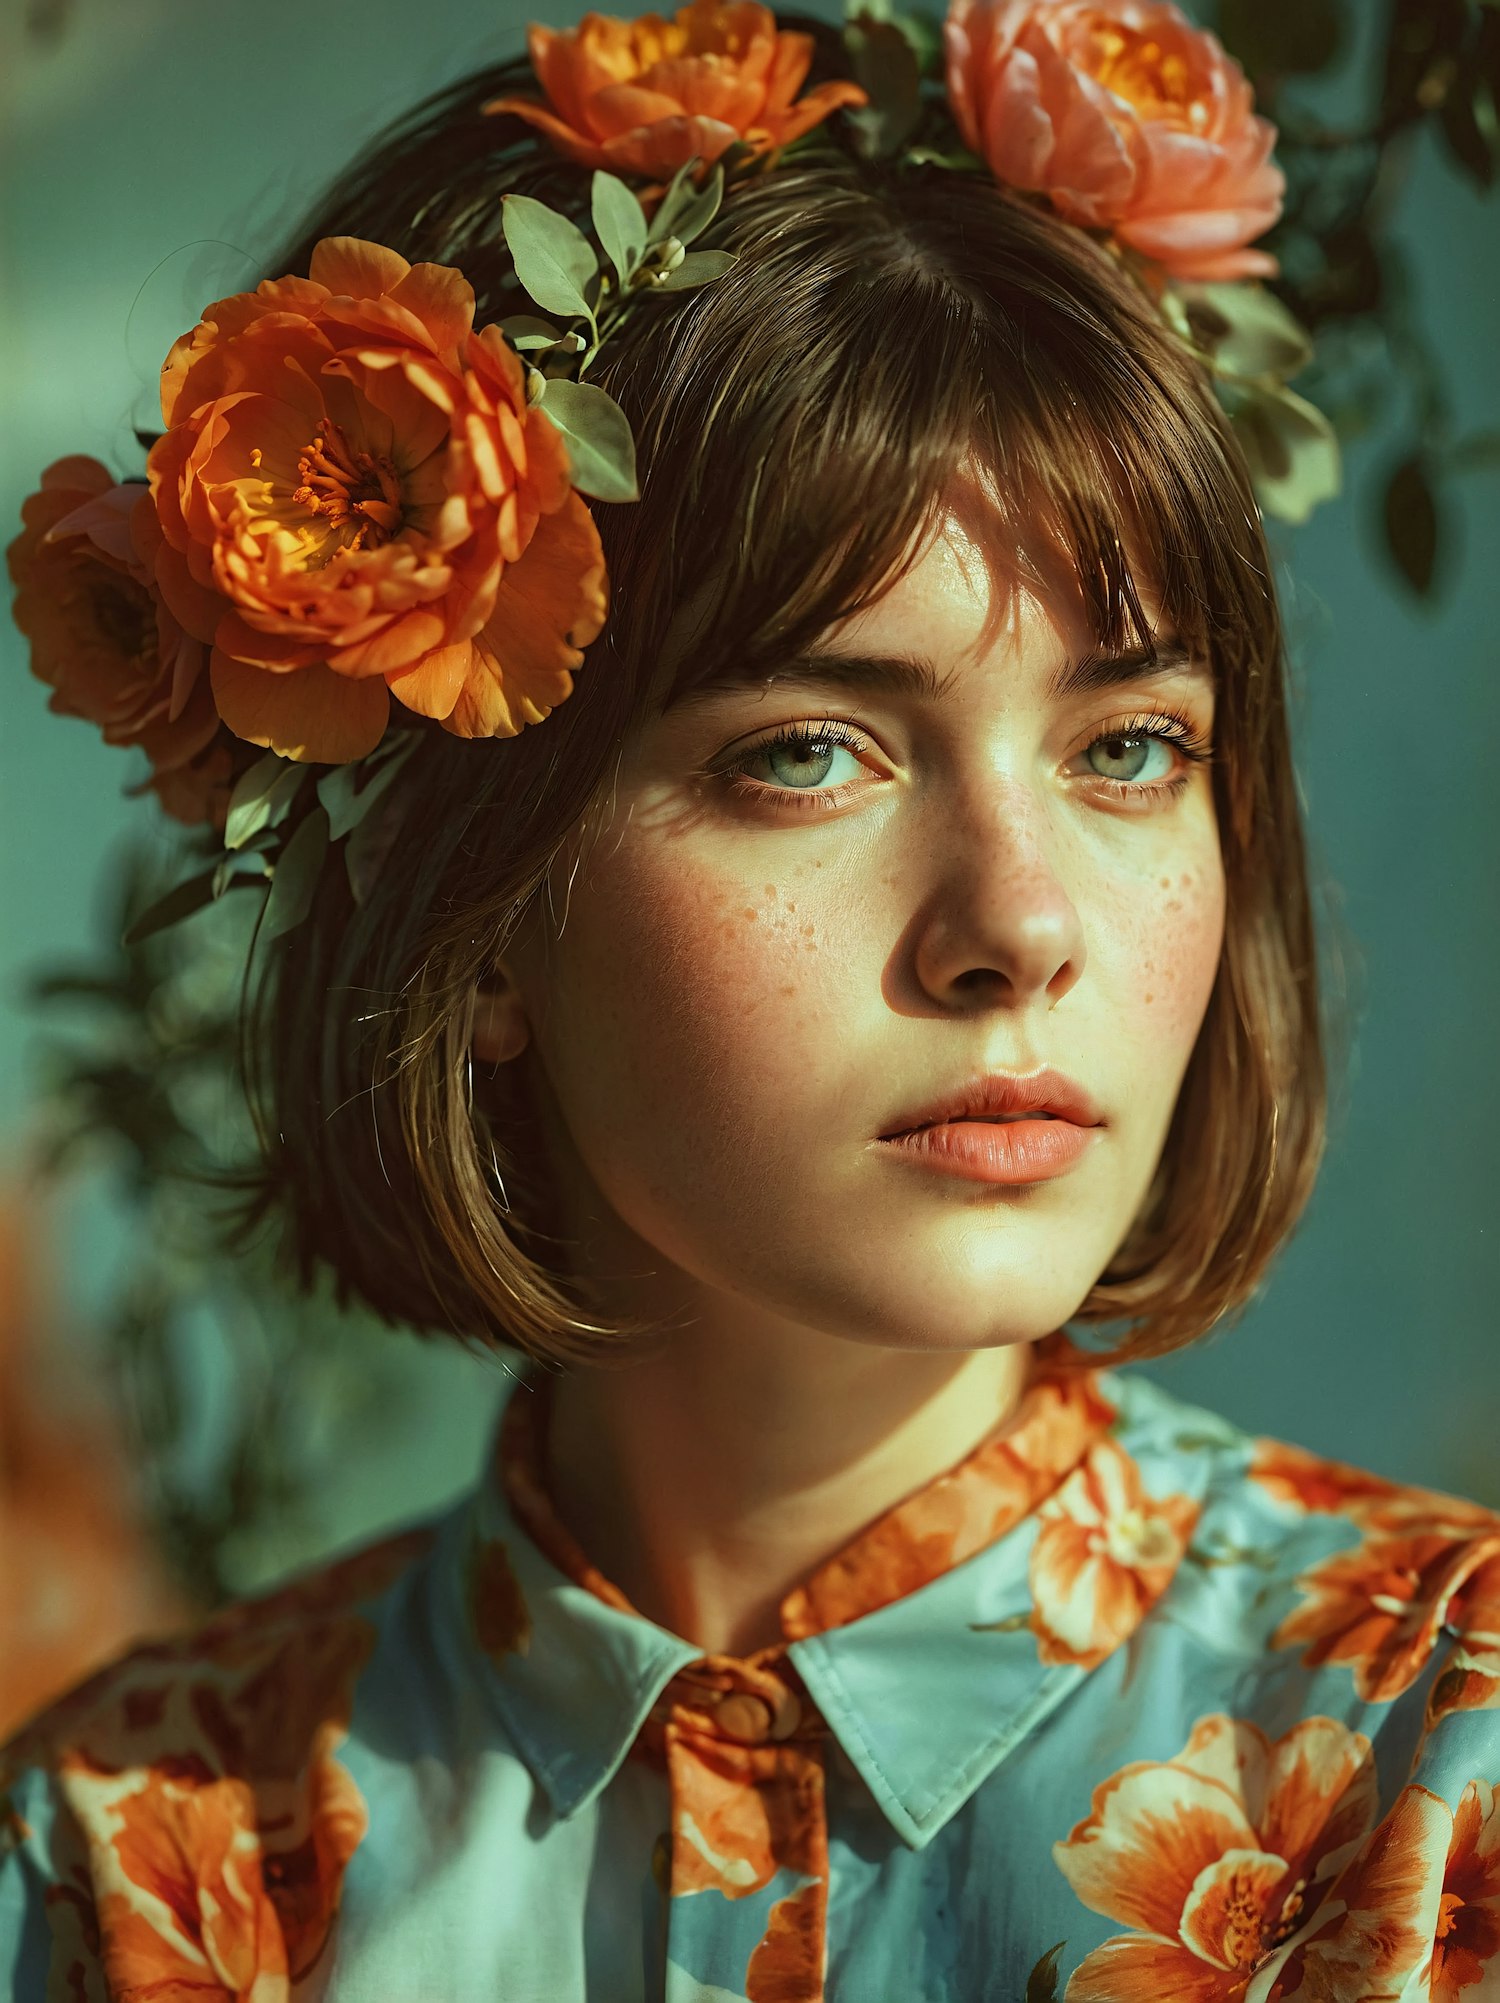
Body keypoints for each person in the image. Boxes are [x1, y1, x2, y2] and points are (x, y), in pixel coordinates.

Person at [3, 3, 1498, 1998]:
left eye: (1129, 750)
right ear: (481, 906)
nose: (1021, 924)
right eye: (809, 753)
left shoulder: (1443, 1778)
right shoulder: (139, 1869)